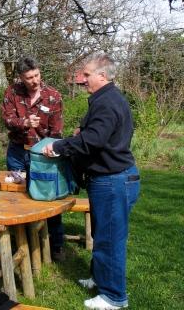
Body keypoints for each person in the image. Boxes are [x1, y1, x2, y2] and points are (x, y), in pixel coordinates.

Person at [43, 53, 140, 310]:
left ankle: (113, 297)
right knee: (102, 235)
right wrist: (82, 133)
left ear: (102, 76)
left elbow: (94, 141)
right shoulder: (106, 99)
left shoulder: (107, 102)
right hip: (110, 179)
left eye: (86, 75)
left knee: (109, 240)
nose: (81, 79)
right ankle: (100, 279)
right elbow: (98, 135)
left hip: (113, 181)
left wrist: (60, 146)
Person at [1, 56, 65, 261]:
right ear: (21, 77)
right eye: (29, 77)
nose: (34, 80)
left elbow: (57, 131)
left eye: (36, 75)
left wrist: (52, 149)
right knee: (16, 198)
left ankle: (56, 245)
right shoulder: (12, 92)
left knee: (48, 197)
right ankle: (20, 244)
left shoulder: (53, 96)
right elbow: (7, 120)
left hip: (42, 154)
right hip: (18, 153)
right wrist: (24, 122)